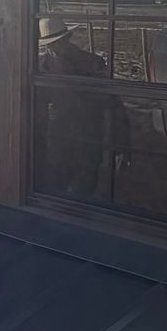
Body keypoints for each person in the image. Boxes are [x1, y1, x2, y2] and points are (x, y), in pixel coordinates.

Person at [36, 16, 130, 201]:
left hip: (88, 140)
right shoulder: (41, 66)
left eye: (56, 43)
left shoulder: (92, 64)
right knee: (55, 191)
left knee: (83, 193)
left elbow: (113, 105)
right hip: (57, 142)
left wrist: (122, 144)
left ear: (66, 39)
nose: (53, 49)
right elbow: (35, 103)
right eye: (49, 45)